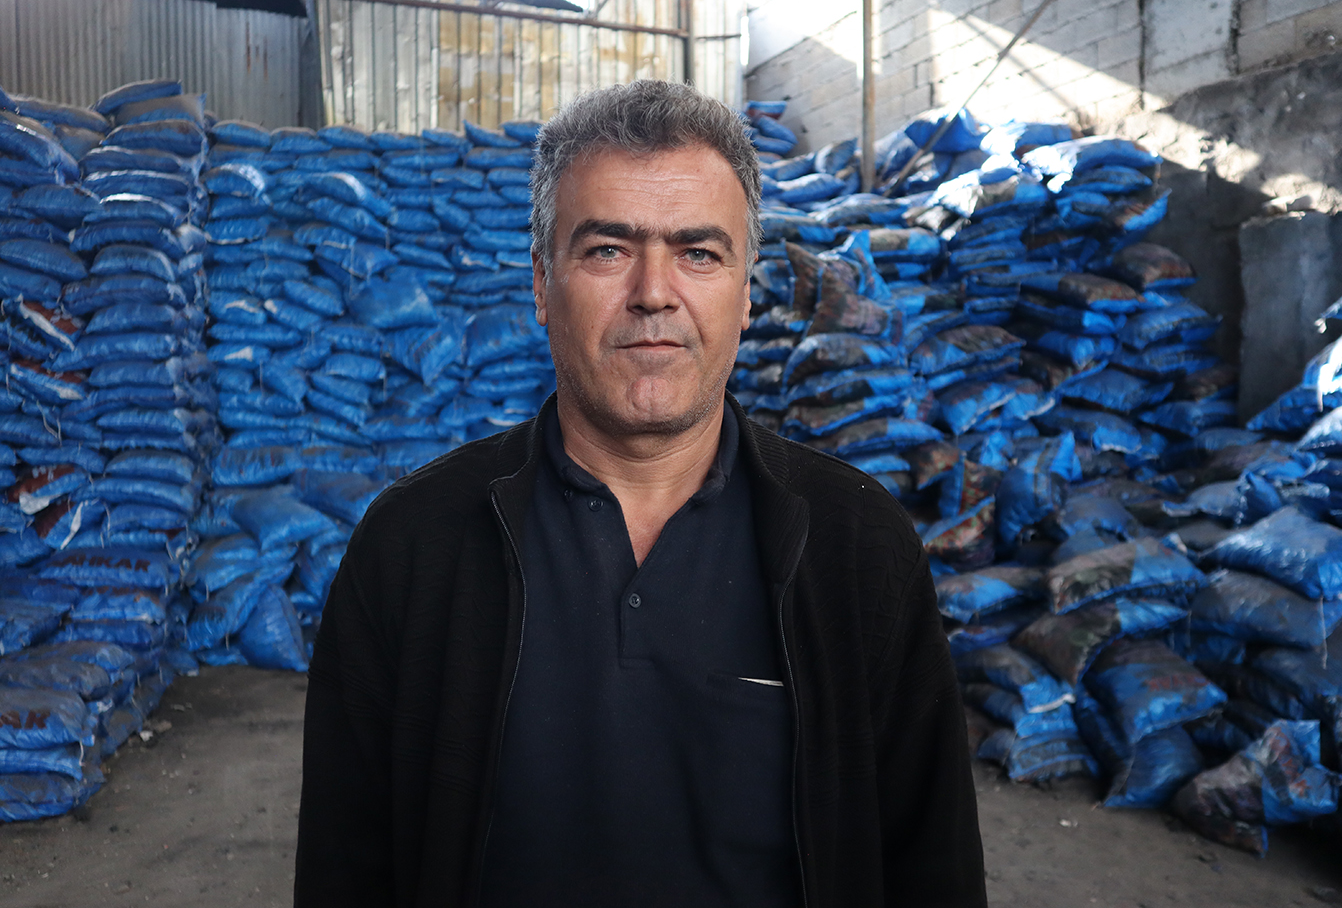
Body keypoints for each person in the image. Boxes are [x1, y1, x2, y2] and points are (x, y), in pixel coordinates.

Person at [294, 79, 986, 908]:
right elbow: (345, 869)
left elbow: (931, 869)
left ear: (746, 293)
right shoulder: (412, 547)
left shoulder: (857, 546)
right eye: (607, 251)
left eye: (699, 253)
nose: (654, 292)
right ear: (542, 285)